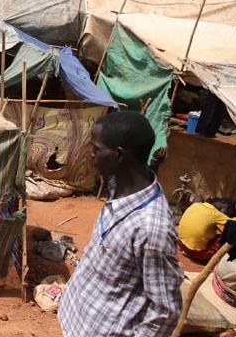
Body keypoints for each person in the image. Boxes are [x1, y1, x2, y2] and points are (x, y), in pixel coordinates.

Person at [58, 111, 182, 337]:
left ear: (118, 155)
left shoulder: (151, 229)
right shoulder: (119, 188)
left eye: (96, 149)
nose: (91, 155)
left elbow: (165, 312)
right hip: (79, 322)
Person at [178, 199, 236, 263]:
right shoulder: (215, 214)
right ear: (226, 208)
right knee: (227, 237)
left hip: (181, 244)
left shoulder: (196, 205)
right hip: (197, 254)